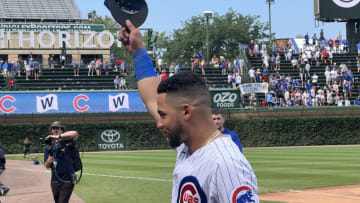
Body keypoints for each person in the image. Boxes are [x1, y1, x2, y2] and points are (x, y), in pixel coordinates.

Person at [118, 20, 258, 203]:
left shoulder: (225, 163)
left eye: (163, 115)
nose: (159, 123)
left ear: (186, 112)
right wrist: (137, 51)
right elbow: (152, 99)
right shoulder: (187, 146)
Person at [44, 121, 78, 203]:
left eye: (57, 128)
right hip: (54, 181)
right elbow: (47, 166)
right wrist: (49, 159)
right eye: (53, 128)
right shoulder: (49, 146)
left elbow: (75, 133)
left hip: (68, 180)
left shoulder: (67, 142)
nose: (55, 130)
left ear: (62, 130)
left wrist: (57, 137)